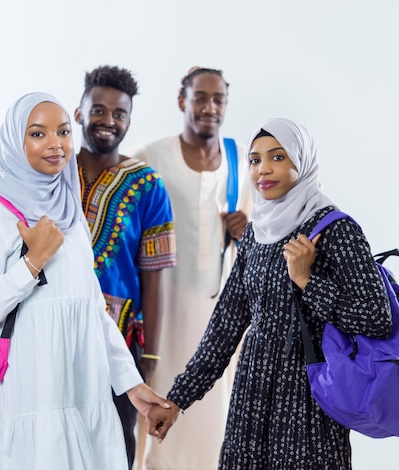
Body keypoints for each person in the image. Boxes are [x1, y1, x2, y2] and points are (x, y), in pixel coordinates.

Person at [147, 118, 393, 469]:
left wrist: (307, 280)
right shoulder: (256, 235)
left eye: (278, 157)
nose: (263, 169)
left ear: (301, 161)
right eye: (255, 160)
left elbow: (375, 318)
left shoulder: (337, 230)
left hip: (309, 399)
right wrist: (177, 400)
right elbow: (225, 329)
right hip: (252, 392)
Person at [0, 92, 170, 470]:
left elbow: (92, 309)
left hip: (82, 387)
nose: (56, 144)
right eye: (38, 134)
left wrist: (131, 383)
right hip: (28, 393)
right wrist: (32, 262)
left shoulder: (71, 215)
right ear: (14, 142)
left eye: (63, 132)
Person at [131, 66, 253, 469]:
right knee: (155, 404)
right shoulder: (150, 156)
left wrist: (244, 231)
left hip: (218, 317)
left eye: (218, 99)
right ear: (182, 101)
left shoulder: (239, 164)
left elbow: (262, 247)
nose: (209, 107)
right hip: (162, 313)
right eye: (200, 97)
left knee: (213, 417)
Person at [74, 65, 177, 469]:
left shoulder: (148, 184)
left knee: (116, 444)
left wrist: (149, 359)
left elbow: (153, 277)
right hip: (52, 328)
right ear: (79, 112)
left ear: (129, 121)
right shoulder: (55, 171)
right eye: (98, 110)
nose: (108, 121)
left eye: (119, 114)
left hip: (120, 340)